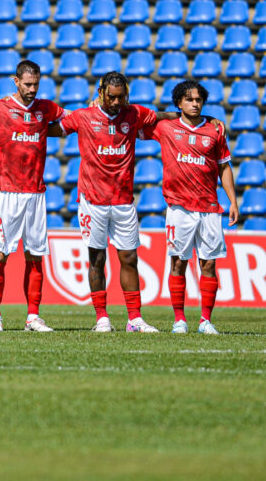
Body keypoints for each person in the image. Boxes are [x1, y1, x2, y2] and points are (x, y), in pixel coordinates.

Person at [59, 72, 168, 333]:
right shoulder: (84, 116)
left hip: (122, 201)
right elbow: (51, 128)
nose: (117, 102)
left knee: (129, 258)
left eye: (122, 97)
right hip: (93, 200)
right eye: (112, 97)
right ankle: (102, 318)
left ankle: (135, 319)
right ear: (100, 92)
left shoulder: (133, 114)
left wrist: (203, 120)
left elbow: (163, 117)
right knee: (96, 259)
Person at [143, 80, 238, 335]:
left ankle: (206, 320)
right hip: (179, 208)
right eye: (189, 100)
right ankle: (179, 320)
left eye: (198, 100)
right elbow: (135, 118)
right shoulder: (166, 127)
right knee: (178, 263)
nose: (195, 104)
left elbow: (224, 167)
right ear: (179, 103)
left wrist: (233, 201)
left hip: (209, 207)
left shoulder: (215, 131)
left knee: (208, 265)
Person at [0, 60, 64, 332]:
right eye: (27, 84)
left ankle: (33, 317)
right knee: (0, 254)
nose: (32, 89)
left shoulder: (46, 108)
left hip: (36, 193)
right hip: (7, 192)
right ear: (16, 81)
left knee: (35, 256)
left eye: (36, 84)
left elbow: (74, 119)